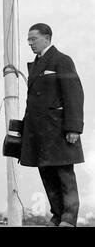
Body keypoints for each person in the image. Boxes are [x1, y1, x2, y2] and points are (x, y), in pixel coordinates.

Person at [21, 23, 84, 227]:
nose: (30, 43)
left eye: (34, 39)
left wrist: (73, 127)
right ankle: (57, 215)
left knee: (64, 175)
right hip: (39, 131)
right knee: (47, 174)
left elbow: (74, 94)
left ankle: (68, 218)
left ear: (47, 38)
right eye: (29, 39)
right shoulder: (37, 63)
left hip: (58, 130)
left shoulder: (62, 60)